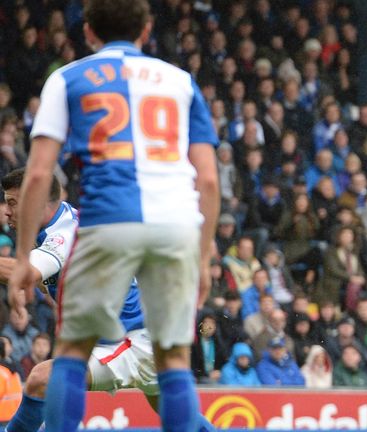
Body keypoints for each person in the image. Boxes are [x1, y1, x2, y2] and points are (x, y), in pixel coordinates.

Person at [9, 1, 220, 431]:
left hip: (109, 220)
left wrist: (22, 252)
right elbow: (210, 180)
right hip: (175, 226)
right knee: (174, 364)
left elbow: (38, 174)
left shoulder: (67, 78)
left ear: (87, 32)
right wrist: (202, 257)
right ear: (146, 30)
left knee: (68, 358)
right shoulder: (181, 81)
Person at [0, 169, 215, 432]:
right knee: (178, 416)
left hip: (133, 341)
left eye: (12, 203)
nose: (6, 212)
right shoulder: (60, 222)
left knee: (43, 379)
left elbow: (25, 274)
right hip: (139, 333)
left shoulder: (65, 233)